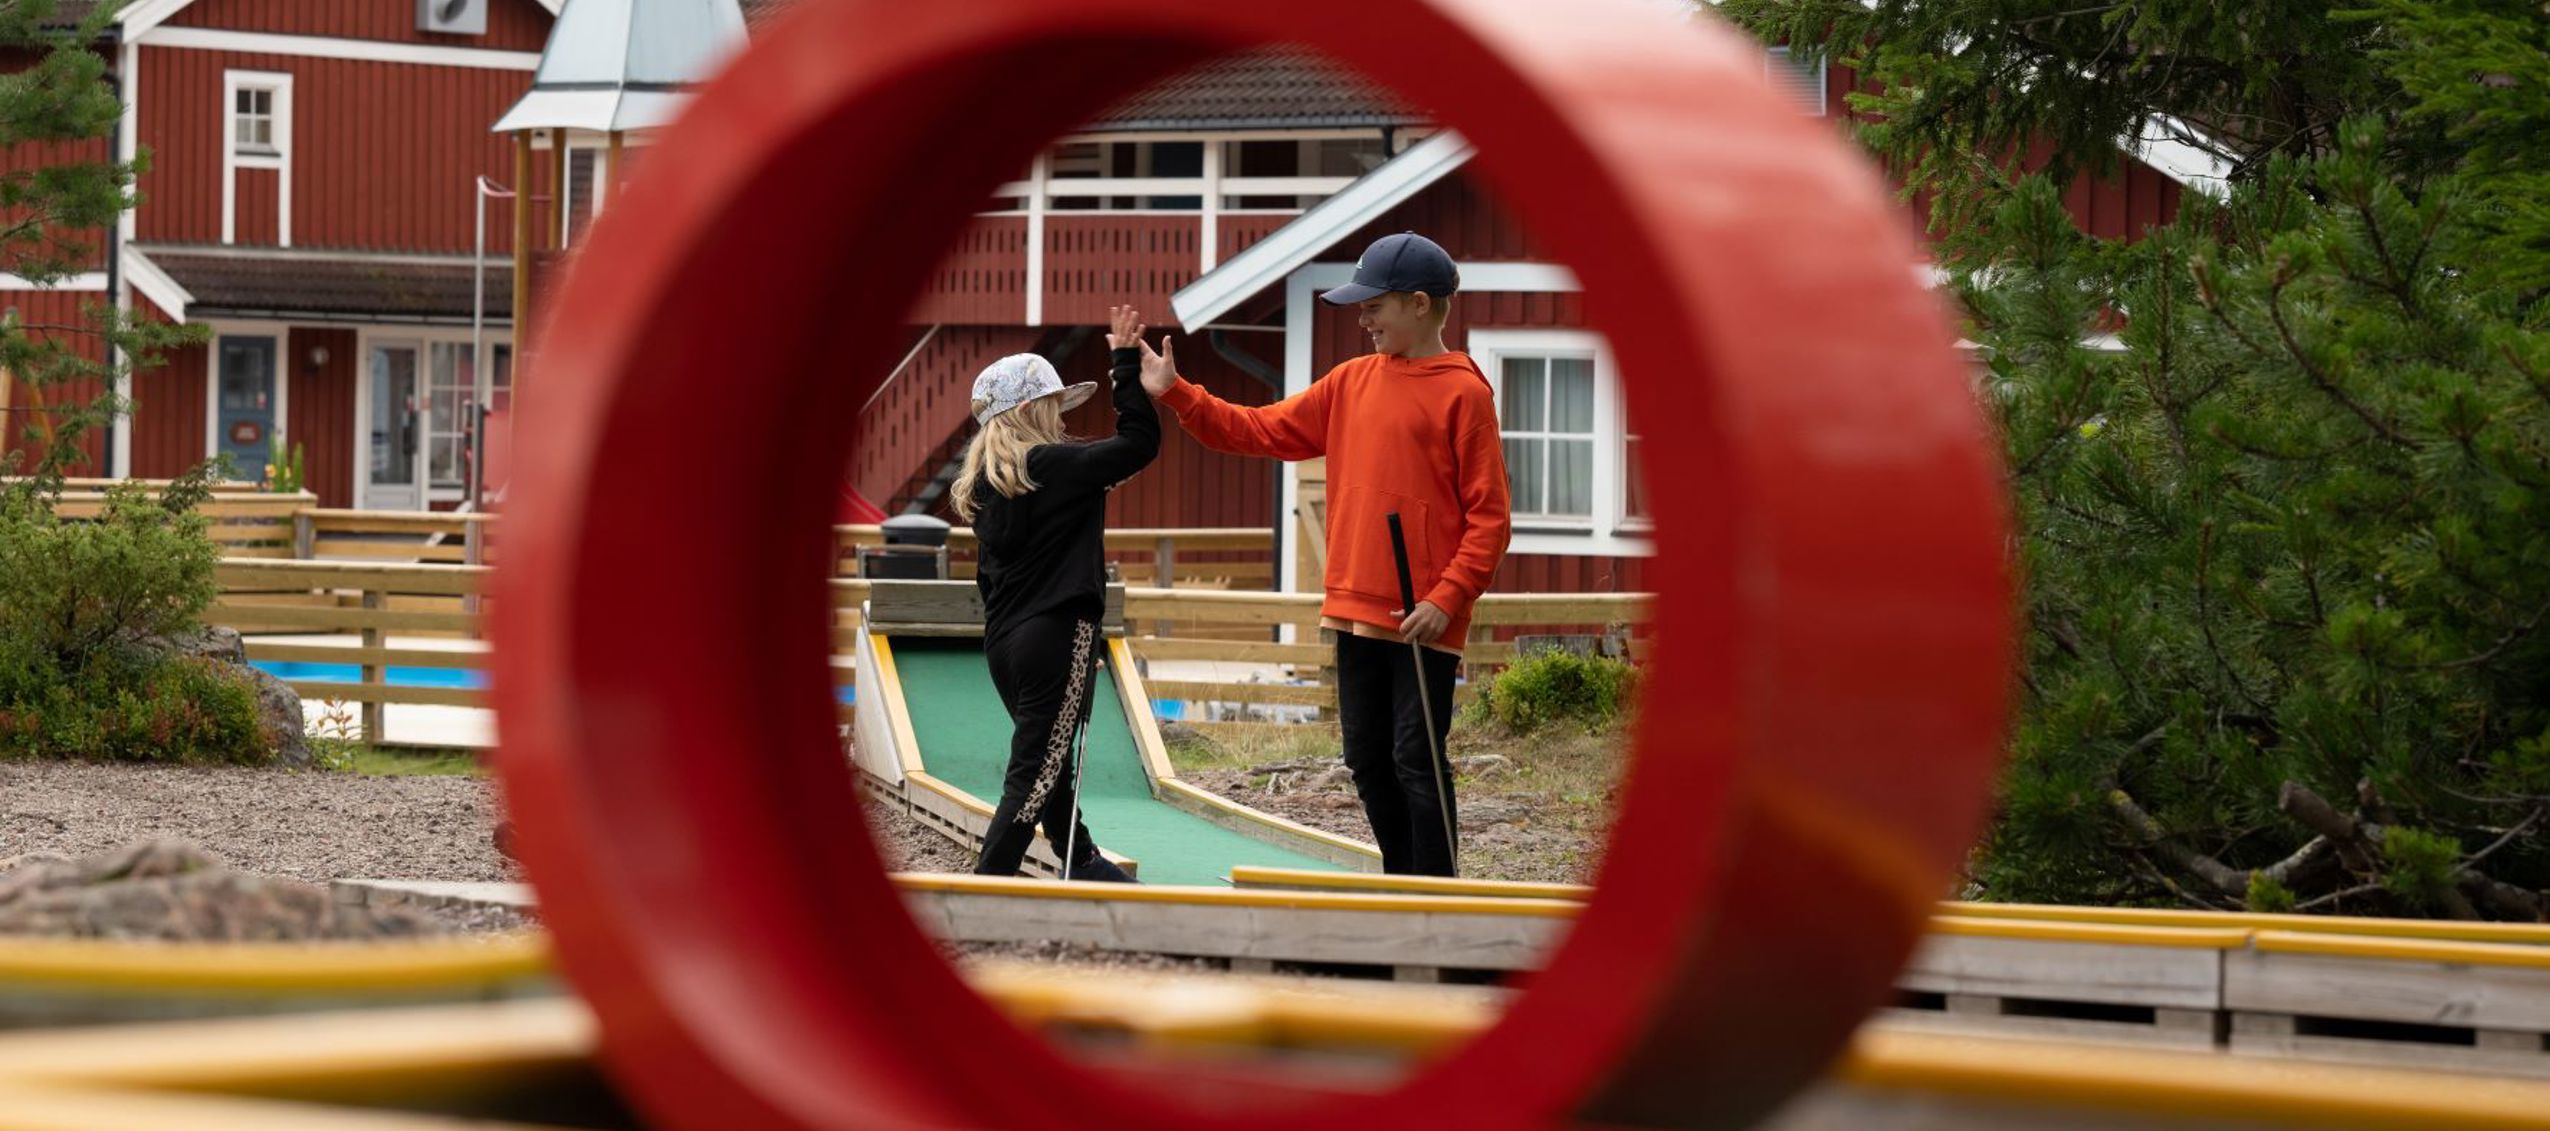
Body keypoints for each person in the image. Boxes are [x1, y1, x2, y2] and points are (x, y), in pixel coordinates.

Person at [1140, 233, 1510, 876]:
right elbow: (1260, 428)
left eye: (1374, 307)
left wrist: (1444, 599)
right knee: (1366, 759)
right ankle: (1402, 881)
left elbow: (1491, 519)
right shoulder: (1350, 382)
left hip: (1422, 617)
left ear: (1419, 304)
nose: (1362, 319)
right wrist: (1179, 393)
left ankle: (1443, 895)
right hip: (1351, 606)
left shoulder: (1464, 394)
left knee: (1416, 760)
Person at [956, 305, 1163, 882]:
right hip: (1056, 634)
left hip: (1003, 644)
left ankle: (1082, 860)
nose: (1061, 418)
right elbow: (1140, 442)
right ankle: (989, 884)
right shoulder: (1054, 465)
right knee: (1037, 773)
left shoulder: (983, 486)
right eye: (1053, 406)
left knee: (1050, 767)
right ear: (1029, 411)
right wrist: (1125, 364)